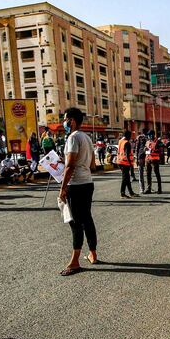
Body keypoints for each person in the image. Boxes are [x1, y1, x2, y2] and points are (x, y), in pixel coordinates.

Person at [58, 107, 98, 276]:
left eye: (65, 119)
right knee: (87, 219)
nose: (64, 122)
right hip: (87, 182)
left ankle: (75, 262)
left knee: (75, 222)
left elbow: (71, 165)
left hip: (76, 185)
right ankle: (93, 254)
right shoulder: (87, 137)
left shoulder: (73, 137)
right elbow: (92, 165)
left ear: (72, 121)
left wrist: (63, 188)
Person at [116, 130, 137, 198]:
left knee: (127, 178)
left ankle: (131, 192)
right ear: (127, 136)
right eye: (130, 135)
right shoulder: (127, 143)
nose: (130, 137)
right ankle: (122, 193)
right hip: (125, 162)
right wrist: (131, 164)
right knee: (125, 178)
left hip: (120, 161)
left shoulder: (120, 141)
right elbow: (127, 154)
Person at [144, 130, 163, 194]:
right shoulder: (147, 142)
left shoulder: (158, 142)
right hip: (147, 160)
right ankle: (148, 188)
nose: (149, 136)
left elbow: (161, 151)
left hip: (155, 160)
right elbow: (145, 149)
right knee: (148, 175)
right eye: (148, 135)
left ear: (153, 135)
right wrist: (145, 149)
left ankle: (159, 189)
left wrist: (153, 151)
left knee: (157, 174)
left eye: (150, 135)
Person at [135, 128, 149, 193]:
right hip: (145, 158)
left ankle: (142, 189)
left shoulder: (139, 138)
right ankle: (147, 188)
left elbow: (136, 149)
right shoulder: (147, 139)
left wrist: (136, 158)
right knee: (147, 174)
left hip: (141, 157)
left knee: (141, 174)